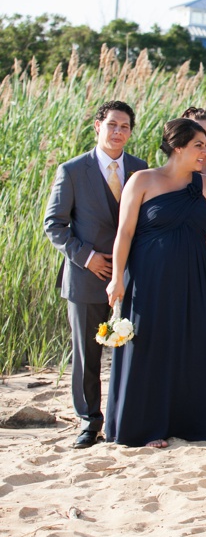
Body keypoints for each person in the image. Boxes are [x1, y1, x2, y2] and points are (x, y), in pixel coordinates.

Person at [104, 119, 206, 448]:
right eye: (198, 144)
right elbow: (124, 233)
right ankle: (146, 427)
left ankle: (198, 422)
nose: (205, 149)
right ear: (178, 147)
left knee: (200, 346)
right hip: (149, 278)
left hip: (196, 278)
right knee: (151, 347)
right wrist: (116, 280)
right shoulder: (142, 180)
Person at [43, 101, 148, 449]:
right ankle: (89, 422)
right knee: (87, 355)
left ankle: (127, 416)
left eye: (125, 127)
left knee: (134, 348)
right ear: (98, 127)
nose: (118, 132)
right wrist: (86, 258)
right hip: (86, 277)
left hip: (132, 275)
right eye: (112, 125)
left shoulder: (140, 169)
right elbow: (54, 225)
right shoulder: (72, 171)